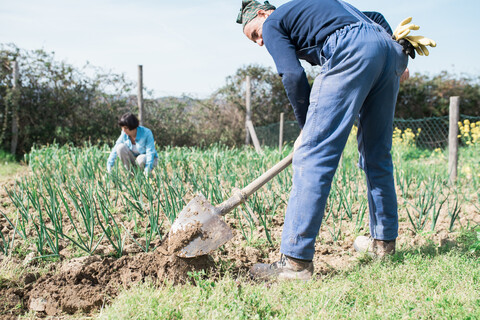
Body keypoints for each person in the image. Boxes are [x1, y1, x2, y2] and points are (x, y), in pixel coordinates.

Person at [237, 0, 411, 280]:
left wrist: (308, 130)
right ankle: (383, 244)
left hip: (353, 48)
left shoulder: (272, 22)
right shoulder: (324, 11)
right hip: (389, 49)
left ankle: (294, 264)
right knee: (377, 153)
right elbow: (376, 16)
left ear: (261, 14)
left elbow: (293, 76)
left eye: (254, 34)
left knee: (313, 155)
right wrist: (395, 51)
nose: (260, 41)